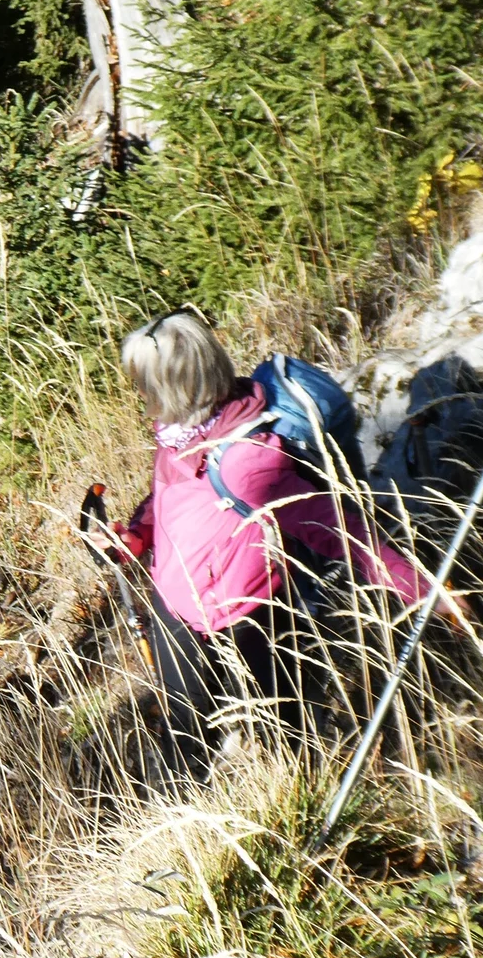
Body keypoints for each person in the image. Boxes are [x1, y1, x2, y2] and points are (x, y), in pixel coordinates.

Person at [110, 311, 437, 772]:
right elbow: (169, 496)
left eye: (145, 383)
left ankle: (296, 810)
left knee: (284, 735)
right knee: (184, 739)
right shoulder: (178, 433)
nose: (142, 396)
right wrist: (136, 537)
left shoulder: (250, 458)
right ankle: (189, 824)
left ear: (174, 387)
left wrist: (424, 592)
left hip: (249, 619)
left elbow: (342, 532)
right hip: (177, 608)